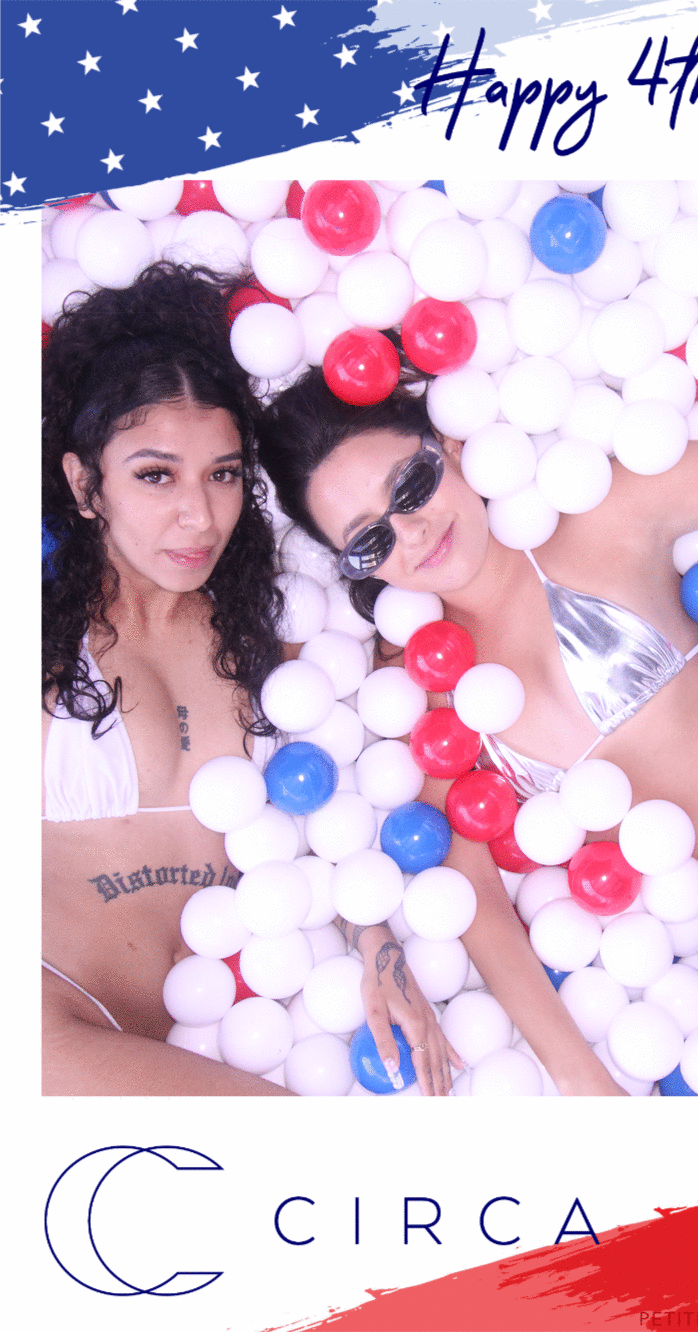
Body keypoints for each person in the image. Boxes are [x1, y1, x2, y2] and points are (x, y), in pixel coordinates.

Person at [258, 363, 698, 1097]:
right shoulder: (428, 689)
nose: (412, 531)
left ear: (453, 447)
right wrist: (586, 1081)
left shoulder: (599, 513)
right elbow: (472, 897)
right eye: (370, 541)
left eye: (411, 486)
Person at [42, 264, 456, 1096]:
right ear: (86, 484)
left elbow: (322, 822)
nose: (199, 515)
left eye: (223, 474)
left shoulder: (271, 643)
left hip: (190, 1033)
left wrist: (378, 949)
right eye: (155, 475)